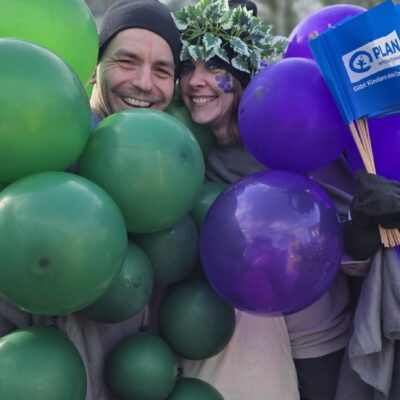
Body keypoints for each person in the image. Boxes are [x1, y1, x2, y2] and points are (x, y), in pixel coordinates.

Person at [173, 0, 368, 399]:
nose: (195, 81)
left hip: (319, 332)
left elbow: (349, 216)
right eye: (188, 67)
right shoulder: (184, 147)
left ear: (243, 74)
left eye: (215, 67)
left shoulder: (286, 130)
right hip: (244, 335)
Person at [0, 1, 182, 399]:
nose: (145, 83)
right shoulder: (39, 149)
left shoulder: (174, 165)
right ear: (94, 68)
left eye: (162, 70)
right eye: (126, 62)